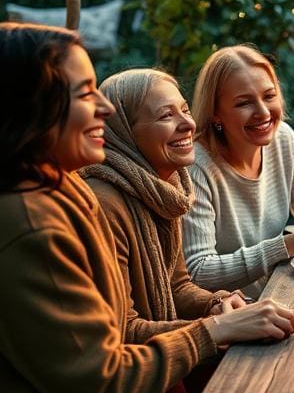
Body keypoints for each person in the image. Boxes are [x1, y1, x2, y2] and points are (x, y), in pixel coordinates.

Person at [0, 24, 294, 393]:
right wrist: (214, 332)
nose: (105, 108)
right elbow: (102, 384)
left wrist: (215, 307)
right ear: (30, 107)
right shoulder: (33, 225)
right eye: (84, 93)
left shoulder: (72, 190)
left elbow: (175, 284)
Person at [182, 45, 294, 295]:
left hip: (278, 294)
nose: (263, 112)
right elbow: (199, 271)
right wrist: (287, 246)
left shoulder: (283, 140)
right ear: (215, 114)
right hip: (232, 315)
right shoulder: (195, 167)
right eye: (244, 103)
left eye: (269, 96)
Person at [83, 69, 249, 344]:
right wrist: (219, 326)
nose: (188, 124)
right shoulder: (105, 205)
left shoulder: (166, 189)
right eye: (166, 115)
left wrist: (217, 303)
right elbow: (124, 331)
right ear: (125, 133)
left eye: (185, 109)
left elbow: (177, 286)